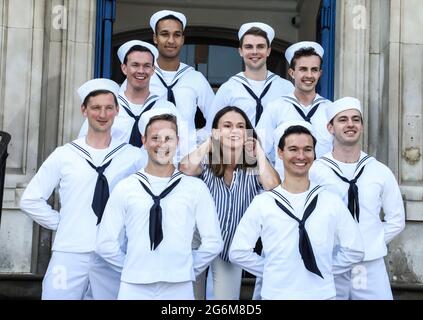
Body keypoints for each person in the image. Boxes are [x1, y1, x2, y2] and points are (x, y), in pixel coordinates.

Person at [20, 79, 146, 299]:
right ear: (84, 110)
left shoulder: (133, 156)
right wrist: (62, 222)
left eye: (108, 108)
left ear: (117, 110)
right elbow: (30, 199)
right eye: (96, 107)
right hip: (69, 252)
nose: (103, 114)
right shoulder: (65, 154)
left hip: (114, 253)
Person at [95, 108, 223, 300]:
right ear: (144, 141)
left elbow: (213, 242)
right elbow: (105, 243)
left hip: (179, 287)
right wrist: (134, 267)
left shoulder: (195, 188)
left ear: (177, 142)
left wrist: (185, 268)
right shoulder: (126, 187)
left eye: (168, 138)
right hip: (134, 287)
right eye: (155, 137)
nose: (161, 144)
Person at [229, 121, 364, 300]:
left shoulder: (330, 201)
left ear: (314, 154)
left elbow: (355, 250)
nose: (301, 155)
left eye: (307, 149)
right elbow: (238, 252)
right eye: (293, 149)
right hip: (276, 295)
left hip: (321, 295)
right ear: (280, 152)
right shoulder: (264, 202)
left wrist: (323, 267)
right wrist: (273, 270)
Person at [179, 106, 280, 300]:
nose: (234, 130)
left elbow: (274, 187)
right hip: (197, 240)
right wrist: (210, 142)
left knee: (226, 301)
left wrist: (258, 150)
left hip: (231, 244)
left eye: (240, 126)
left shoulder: (252, 163)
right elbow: (184, 168)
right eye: (227, 125)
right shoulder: (207, 158)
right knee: (190, 298)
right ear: (216, 131)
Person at [310, 97, 405, 299]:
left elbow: (396, 219)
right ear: (330, 128)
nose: (350, 124)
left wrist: (370, 243)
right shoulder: (316, 171)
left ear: (361, 126)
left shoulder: (379, 171)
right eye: (343, 119)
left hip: (368, 267)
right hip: (331, 264)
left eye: (356, 119)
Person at [256, 41, 333, 177]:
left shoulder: (330, 109)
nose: (309, 75)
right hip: (284, 190)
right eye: (303, 69)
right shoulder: (275, 108)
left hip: (323, 189)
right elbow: (257, 149)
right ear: (292, 72)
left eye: (314, 69)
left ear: (320, 73)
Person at [208, 22, 293, 128]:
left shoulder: (286, 88)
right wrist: (216, 145)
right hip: (241, 143)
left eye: (260, 47)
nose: (254, 52)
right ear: (240, 51)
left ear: (268, 51)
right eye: (249, 47)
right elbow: (213, 129)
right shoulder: (228, 88)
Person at [147, 9, 215, 143]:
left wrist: (194, 139)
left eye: (177, 35)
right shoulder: (144, 75)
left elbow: (216, 119)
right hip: (150, 157)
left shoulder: (195, 78)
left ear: (182, 39)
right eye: (164, 34)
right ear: (155, 38)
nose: (171, 40)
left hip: (186, 158)